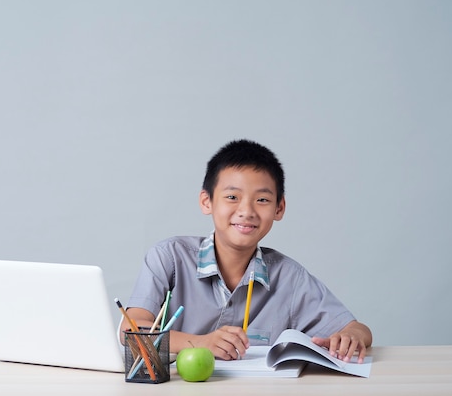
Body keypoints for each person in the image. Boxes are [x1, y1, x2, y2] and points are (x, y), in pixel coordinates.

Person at [121, 139, 372, 363]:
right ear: (207, 201)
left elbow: (358, 329)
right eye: (232, 197)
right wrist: (201, 342)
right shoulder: (170, 257)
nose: (247, 211)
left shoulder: (290, 277)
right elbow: (129, 330)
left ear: (279, 208)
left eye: (262, 200)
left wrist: (350, 337)